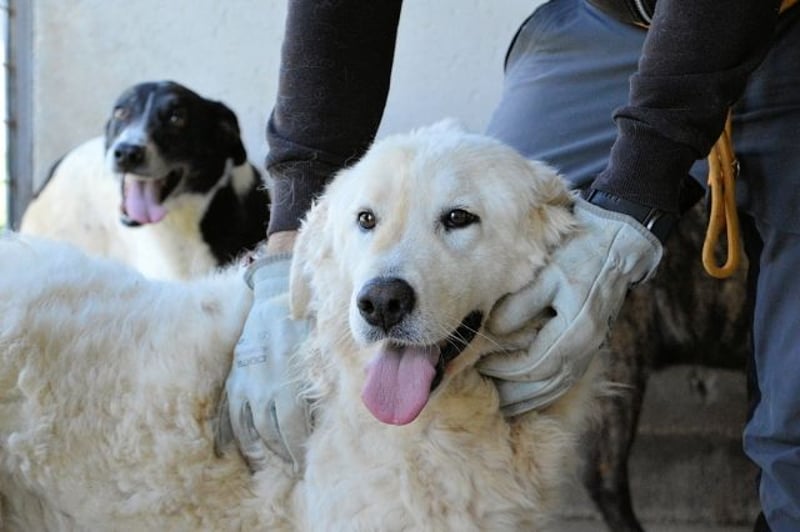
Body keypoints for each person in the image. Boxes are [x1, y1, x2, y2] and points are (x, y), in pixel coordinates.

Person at [219, 1, 800, 529]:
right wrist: (287, 247)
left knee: (793, 427)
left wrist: (631, 206)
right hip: (615, 28)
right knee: (499, 293)